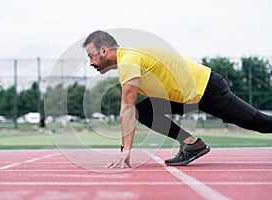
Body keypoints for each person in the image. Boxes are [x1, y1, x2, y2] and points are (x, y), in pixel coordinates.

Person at [82, 30, 272, 168]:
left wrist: (125, 150)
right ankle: (192, 144)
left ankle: (192, 144)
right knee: (145, 111)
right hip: (187, 98)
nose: (90, 63)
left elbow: (127, 107)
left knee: (259, 123)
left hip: (207, 89)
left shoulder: (129, 59)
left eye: (91, 56)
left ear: (104, 50)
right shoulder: (129, 57)